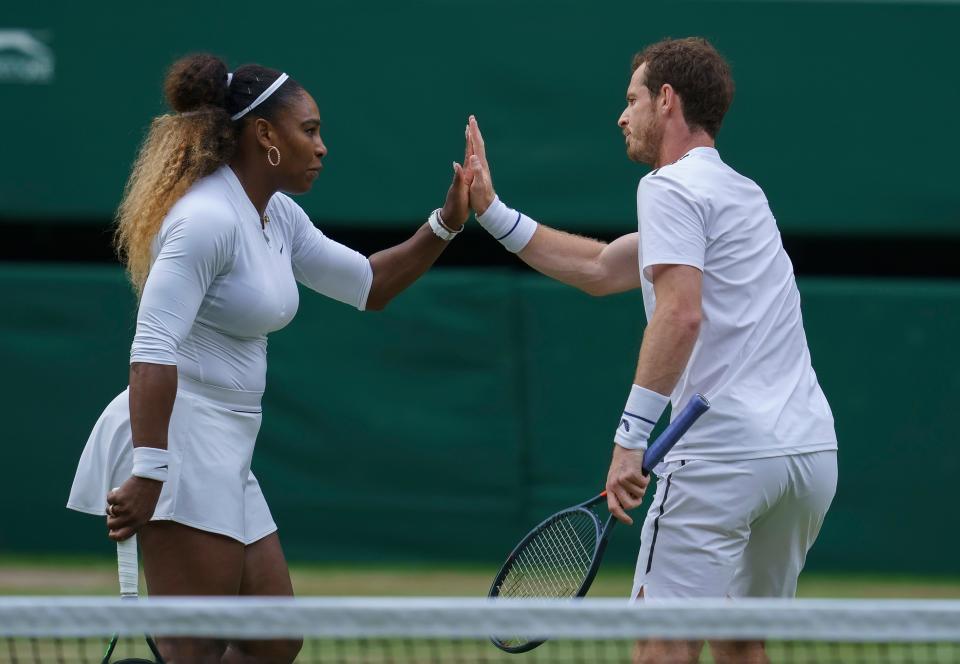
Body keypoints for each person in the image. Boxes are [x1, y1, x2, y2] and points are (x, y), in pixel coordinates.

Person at [67, 53, 472, 664]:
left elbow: (368, 284)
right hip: (177, 440)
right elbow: (152, 347)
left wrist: (446, 223)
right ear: (264, 135)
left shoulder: (275, 213)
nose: (322, 146)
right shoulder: (204, 219)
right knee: (194, 648)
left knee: (272, 640)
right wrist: (150, 471)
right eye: (309, 130)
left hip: (228, 442)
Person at [466, 37, 838, 664]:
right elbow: (600, 266)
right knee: (742, 641)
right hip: (806, 458)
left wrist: (629, 439)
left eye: (631, 98)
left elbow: (680, 313)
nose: (622, 114)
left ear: (666, 101)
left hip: (722, 457)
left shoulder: (668, 187)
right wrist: (492, 212)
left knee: (663, 646)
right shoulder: (743, 195)